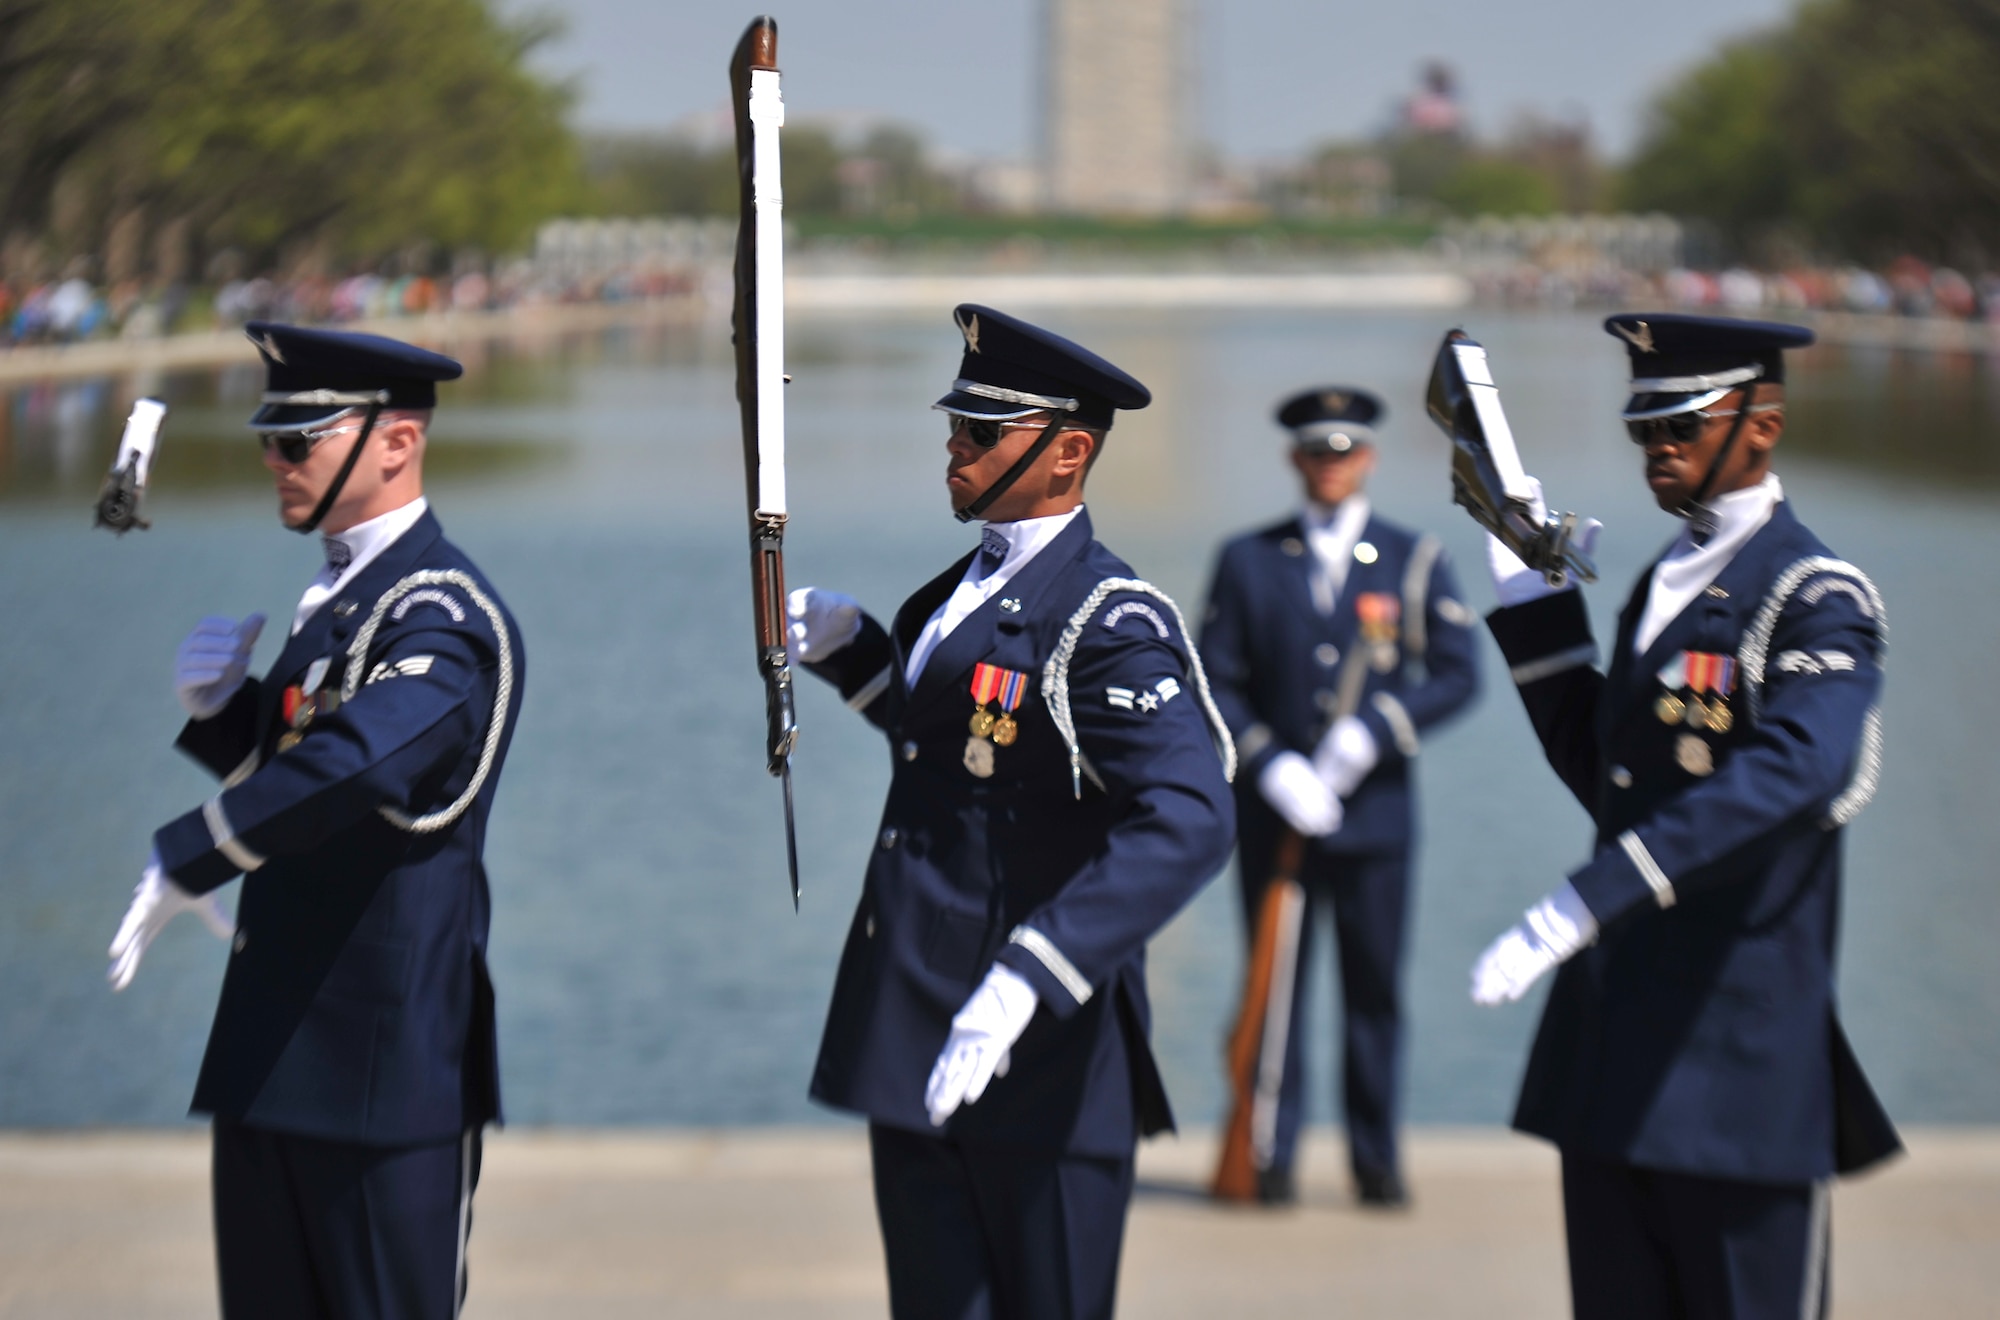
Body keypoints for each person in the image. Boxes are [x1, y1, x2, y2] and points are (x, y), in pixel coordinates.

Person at [786, 303, 1236, 1320]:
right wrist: (851, 651)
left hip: (1036, 1051)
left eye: (981, 433)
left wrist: (1032, 972)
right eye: (953, 425)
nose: (951, 448)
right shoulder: (955, 592)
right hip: (912, 1026)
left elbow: (1189, 816)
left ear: (1068, 452)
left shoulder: (1108, 622)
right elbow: (963, 754)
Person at [1468, 313, 1901, 1318]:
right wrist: (1530, 602)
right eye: (1641, 430)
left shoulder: (1809, 594)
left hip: (1736, 1066)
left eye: (1680, 426)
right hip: (1615, 1051)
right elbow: (1617, 779)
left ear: (1760, 424)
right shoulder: (1667, 581)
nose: (1656, 449)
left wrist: (1587, 899)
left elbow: (1798, 767)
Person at [107, 321, 525, 1320]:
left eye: (301, 440)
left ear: (395, 441)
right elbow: (306, 770)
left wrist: (190, 856)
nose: (274, 461)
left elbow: (363, 766)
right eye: (269, 439)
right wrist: (231, 718)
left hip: (383, 1082)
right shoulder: (345, 598)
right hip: (272, 1059)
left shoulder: (442, 612)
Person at [1200, 388, 1481, 1207]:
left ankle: (1375, 1157)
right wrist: (1268, 762)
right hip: (1277, 817)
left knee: (1374, 995)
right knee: (1274, 992)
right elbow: (1214, 680)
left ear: (1370, 459)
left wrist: (1377, 731)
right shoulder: (1247, 558)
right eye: (1317, 453)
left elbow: (1460, 672)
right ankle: (1270, 1153)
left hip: (1377, 820)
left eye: (1345, 452)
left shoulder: (1413, 556)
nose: (1331, 465)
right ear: (1295, 460)